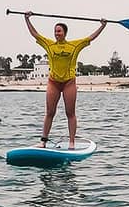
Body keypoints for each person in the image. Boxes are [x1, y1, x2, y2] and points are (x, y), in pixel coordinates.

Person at [24, 12, 106, 148]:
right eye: (55, 31)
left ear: (65, 33)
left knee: (70, 113)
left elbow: (91, 37)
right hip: (53, 82)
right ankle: (43, 141)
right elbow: (35, 34)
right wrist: (27, 19)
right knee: (50, 112)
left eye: (59, 31)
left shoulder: (75, 45)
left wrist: (102, 26)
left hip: (69, 82)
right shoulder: (49, 45)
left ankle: (72, 142)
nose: (57, 34)